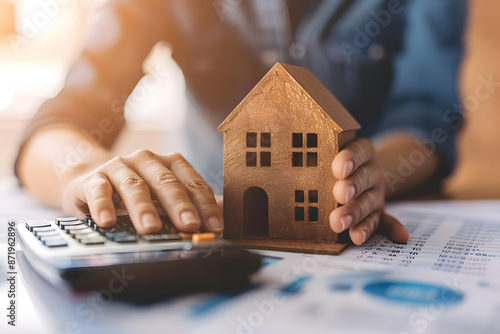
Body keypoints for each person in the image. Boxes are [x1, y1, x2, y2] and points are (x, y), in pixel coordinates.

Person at [15, 0, 465, 245]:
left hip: (356, 211)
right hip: (209, 219)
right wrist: (82, 173)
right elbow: (65, 115)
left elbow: (427, 117)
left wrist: (374, 174)